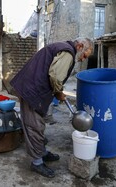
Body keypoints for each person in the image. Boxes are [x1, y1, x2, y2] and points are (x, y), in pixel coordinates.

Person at [10, 37, 94, 178]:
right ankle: (37, 163)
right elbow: (55, 76)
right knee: (34, 125)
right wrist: (59, 92)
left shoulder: (63, 47)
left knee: (39, 123)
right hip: (31, 90)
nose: (83, 59)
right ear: (80, 46)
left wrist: (57, 92)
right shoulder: (68, 53)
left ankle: (41, 152)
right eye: (85, 55)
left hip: (33, 88)